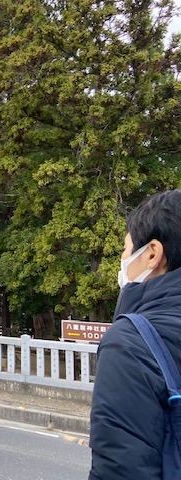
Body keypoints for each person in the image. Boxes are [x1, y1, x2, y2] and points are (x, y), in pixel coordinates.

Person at [89, 189, 181, 479]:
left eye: (126, 249)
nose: (123, 258)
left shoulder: (131, 344)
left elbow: (122, 469)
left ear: (152, 253)